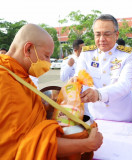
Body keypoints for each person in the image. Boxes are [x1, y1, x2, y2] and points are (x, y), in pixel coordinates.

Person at [0, 24, 103, 159]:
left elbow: (33, 120)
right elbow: (23, 146)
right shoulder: (6, 83)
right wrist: (86, 144)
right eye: (46, 56)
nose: (48, 63)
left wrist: (64, 98)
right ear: (28, 49)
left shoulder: (18, 76)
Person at [74, 14, 132, 122]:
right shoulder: (86, 54)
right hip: (97, 115)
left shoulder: (128, 54)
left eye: (107, 34)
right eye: (97, 34)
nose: (102, 39)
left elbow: (124, 85)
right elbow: (79, 79)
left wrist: (98, 94)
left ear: (116, 35)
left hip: (122, 116)